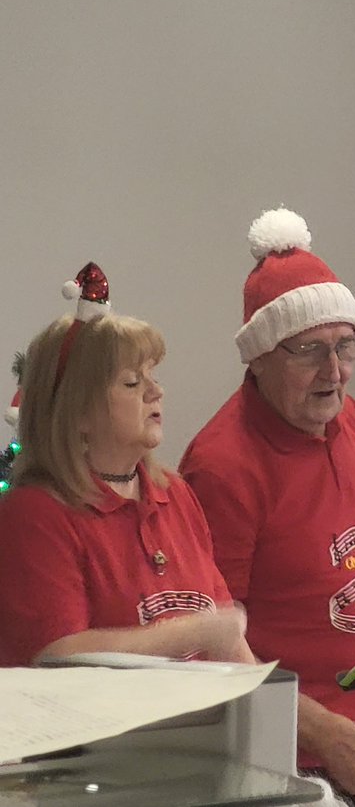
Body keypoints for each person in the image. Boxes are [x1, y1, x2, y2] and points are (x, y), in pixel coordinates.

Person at [179, 208, 355, 807]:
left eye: (346, 347)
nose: (335, 373)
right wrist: (324, 732)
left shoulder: (350, 420)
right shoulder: (222, 465)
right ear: (259, 357)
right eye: (310, 352)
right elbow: (216, 644)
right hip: (275, 761)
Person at [0, 262, 250, 667]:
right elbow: (55, 655)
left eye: (153, 376)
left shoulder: (175, 493)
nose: (156, 391)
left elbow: (227, 639)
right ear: (77, 412)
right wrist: (192, 632)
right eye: (132, 382)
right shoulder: (36, 514)